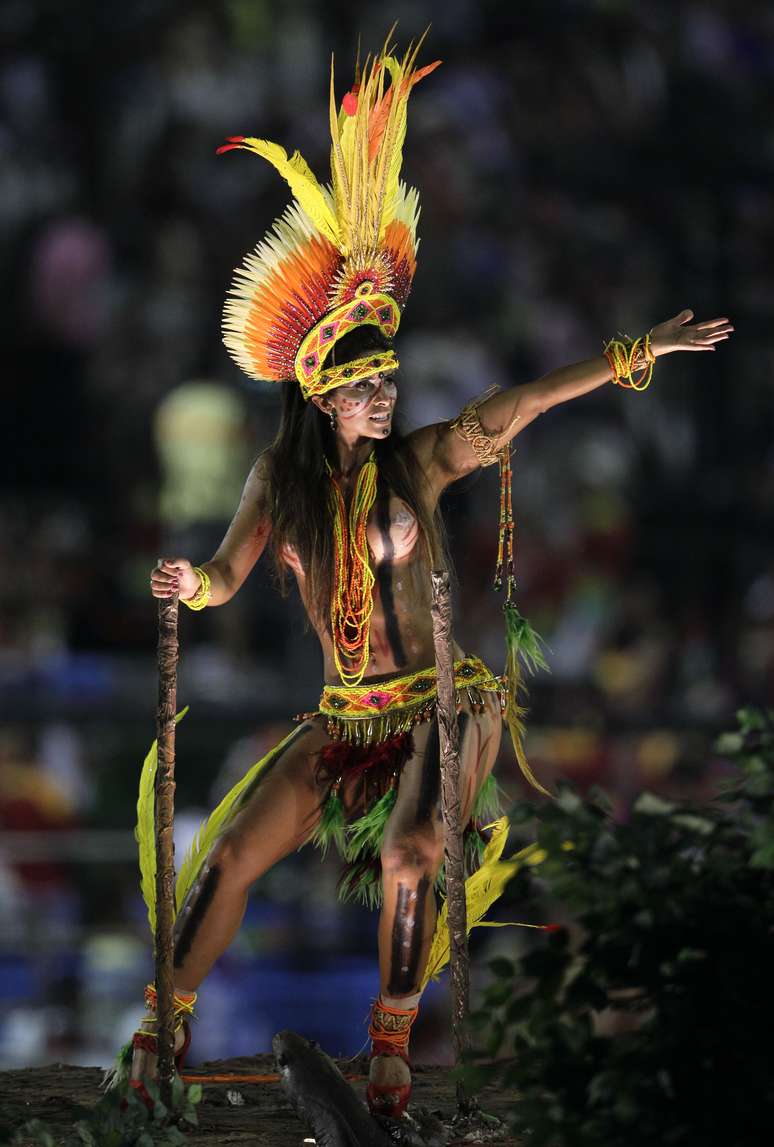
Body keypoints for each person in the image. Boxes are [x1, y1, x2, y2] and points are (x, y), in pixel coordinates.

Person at [126, 37, 734, 1117]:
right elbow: (226, 572)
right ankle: (159, 1034)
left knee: (413, 848)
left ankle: (393, 1049)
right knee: (222, 859)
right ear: (320, 396)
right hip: (342, 714)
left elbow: (525, 405)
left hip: (444, 704)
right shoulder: (282, 477)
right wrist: (193, 586)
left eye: (388, 379)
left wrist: (631, 353)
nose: (382, 397)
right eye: (362, 385)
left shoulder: (423, 459)